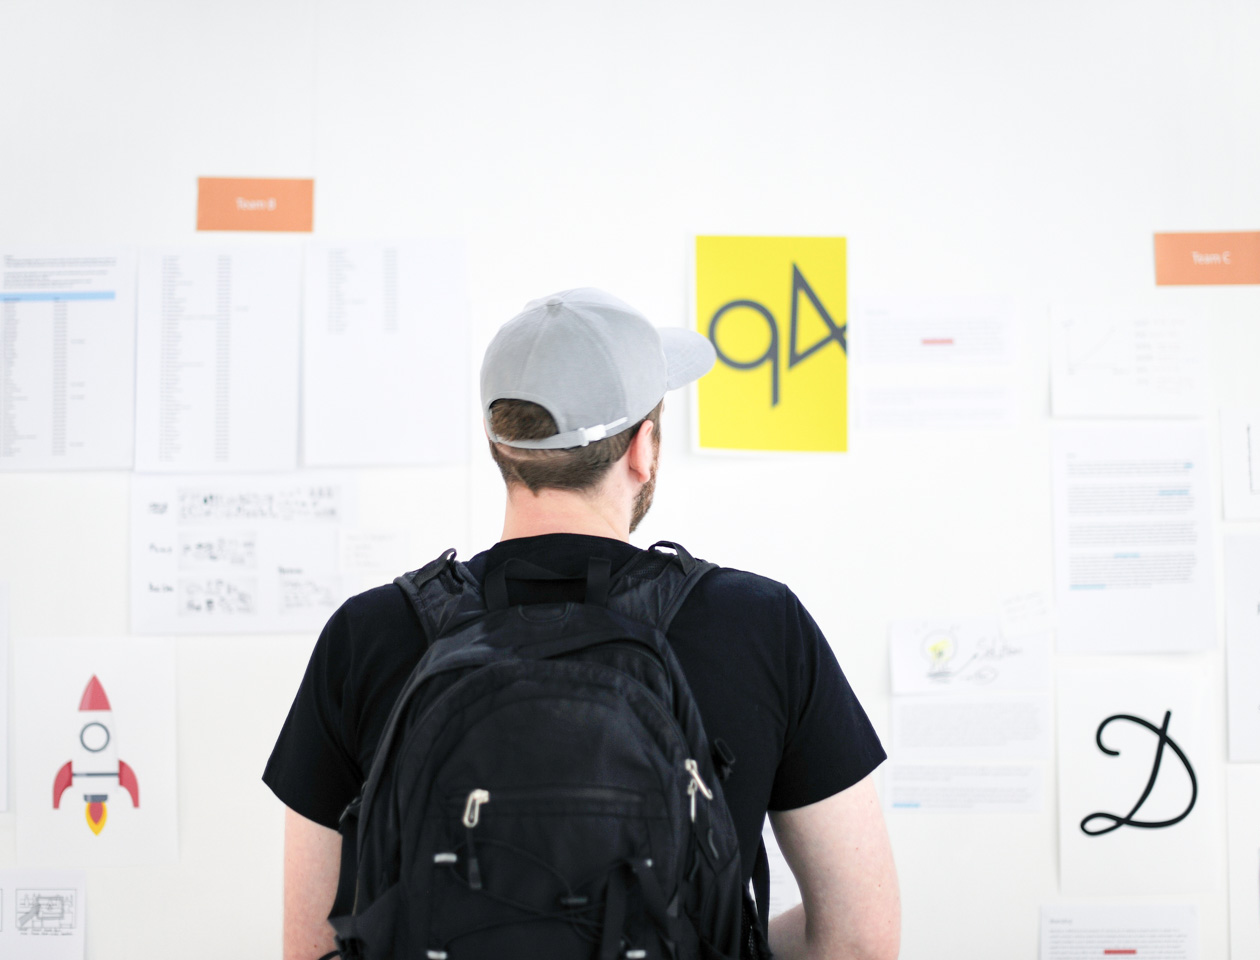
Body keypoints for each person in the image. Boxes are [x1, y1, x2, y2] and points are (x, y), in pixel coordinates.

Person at [265, 288, 900, 960]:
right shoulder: (760, 625)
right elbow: (860, 940)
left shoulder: (367, 634)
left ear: (500, 447)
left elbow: (313, 948)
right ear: (643, 450)